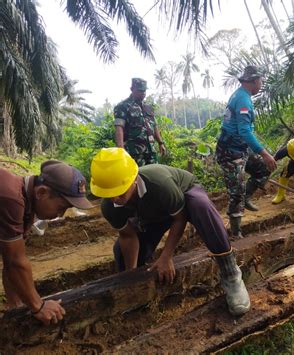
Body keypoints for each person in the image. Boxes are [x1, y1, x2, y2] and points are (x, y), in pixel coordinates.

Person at [90, 148, 250, 316]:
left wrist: (166, 257)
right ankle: (137, 292)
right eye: (110, 195)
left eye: (120, 193)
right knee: (120, 251)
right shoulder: (110, 207)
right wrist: (131, 274)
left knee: (201, 206)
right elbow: (128, 236)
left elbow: (179, 218)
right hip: (154, 213)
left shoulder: (159, 184)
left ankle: (231, 274)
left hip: (184, 197)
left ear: (134, 180)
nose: (115, 199)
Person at [0, 161, 93, 325]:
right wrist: (39, 306)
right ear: (42, 193)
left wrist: (16, 308)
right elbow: (16, 262)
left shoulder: (24, 203)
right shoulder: (11, 199)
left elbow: (10, 262)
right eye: (61, 207)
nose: (61, 214)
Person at [216, 65, 277, 239]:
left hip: (241, 149)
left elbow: (245, 130)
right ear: (254, 81)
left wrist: (259, 153)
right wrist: (264, 153)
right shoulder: (242, 99)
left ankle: (247, 197)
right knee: (237, 191)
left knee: (263, 169)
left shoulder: (244, 96)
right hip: (230, 152)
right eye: (261, 81)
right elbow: (244, 131)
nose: (261, 84)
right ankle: (236, 233)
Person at [114, 78, 166, 166]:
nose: (143, 93)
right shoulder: (123, 106)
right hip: (134, 152)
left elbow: (155, 126)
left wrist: (161, 143)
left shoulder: (148, 108)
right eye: (140, 91)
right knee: (138, 177)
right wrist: (121, 149)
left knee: (153, 176)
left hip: (151, 151)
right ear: (132, 89)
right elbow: (119, 128)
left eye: (144, 91)